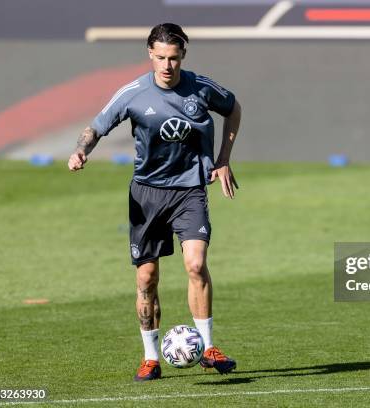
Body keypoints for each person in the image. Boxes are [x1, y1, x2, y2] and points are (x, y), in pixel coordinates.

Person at [67, 23, 241, 381]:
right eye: (160, 57)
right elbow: (96, 127)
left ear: (183, 57)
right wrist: (81, 151)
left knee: (195, 264)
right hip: (146, 194)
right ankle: (150, 358)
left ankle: (208, 348)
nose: (167, 66)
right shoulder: (132, 93)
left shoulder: (201, 88)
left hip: (190, 190)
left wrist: (223, 158)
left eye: (174, 58)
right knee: (146, 278)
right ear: (150, 54)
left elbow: (234, 108)